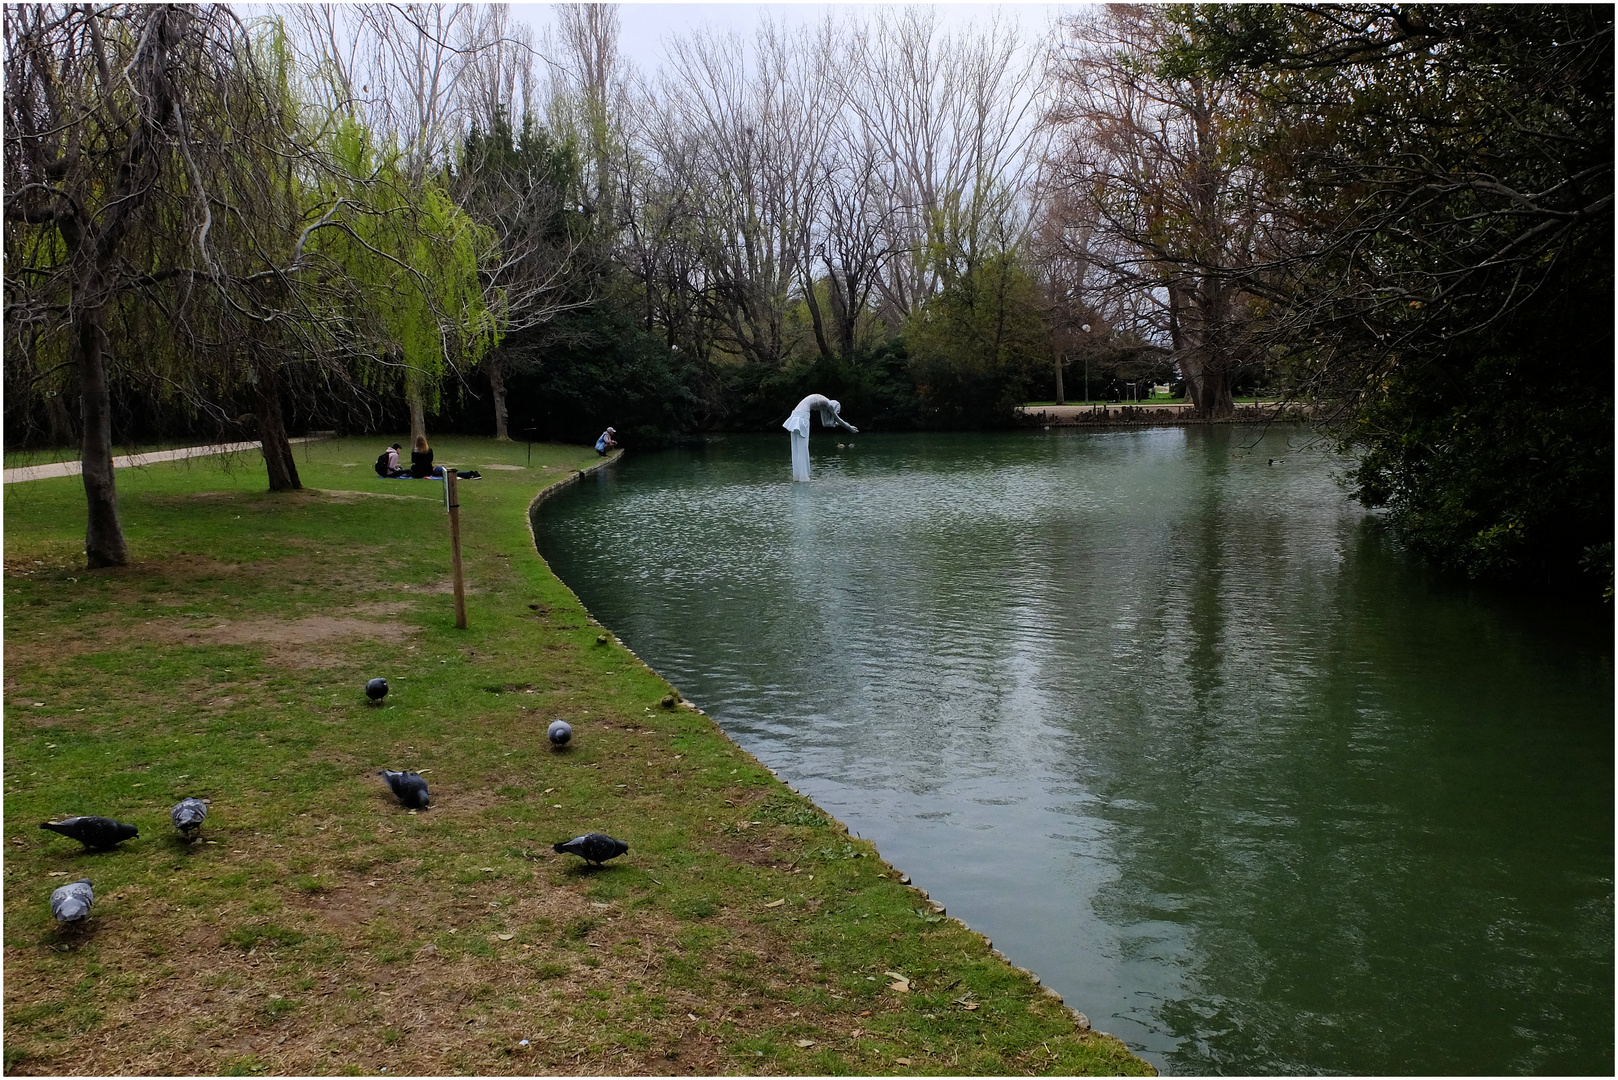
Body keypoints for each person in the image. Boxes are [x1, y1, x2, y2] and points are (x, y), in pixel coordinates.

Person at [782, 394, 857, 482]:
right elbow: (838, 419)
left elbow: (826, 424)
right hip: (803, 418)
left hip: (794, 415)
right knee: (803, 449)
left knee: (796, 449)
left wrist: (836, 424)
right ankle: (804, 478)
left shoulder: (822, 401)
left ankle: (797, 477)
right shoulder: (829, 403)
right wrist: (849, 427)